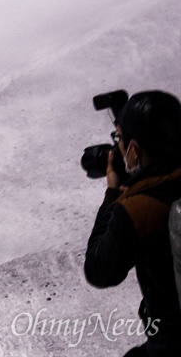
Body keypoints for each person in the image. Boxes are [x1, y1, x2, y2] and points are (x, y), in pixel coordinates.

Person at [84, 90, 181, 356]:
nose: (118, 148)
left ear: (135, 150)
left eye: (121, 141)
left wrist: (113, 195)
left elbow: (99, 271)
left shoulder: (139, 209)